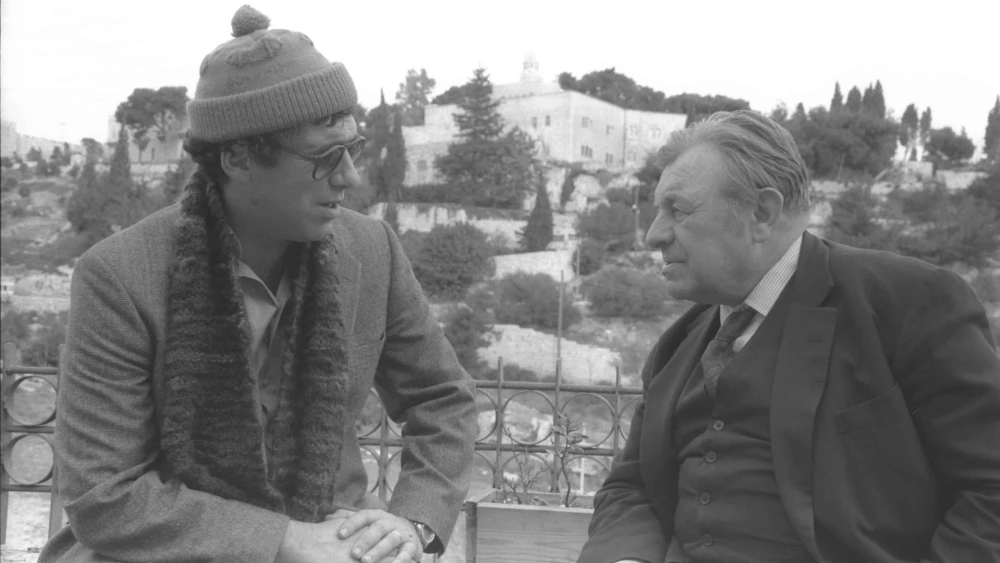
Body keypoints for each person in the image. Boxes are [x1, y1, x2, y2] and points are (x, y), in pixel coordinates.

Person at [39, 6, 478, 563]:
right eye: (326, 157)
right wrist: (286, 541)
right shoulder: (120, 276)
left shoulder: (373, 250)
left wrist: (412, 524)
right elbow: (105, 498)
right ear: (239, 158)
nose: (352, 176)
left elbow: (443, 398)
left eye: (354, 148)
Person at [577, 110, 1000, 563]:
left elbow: (990, 489)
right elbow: (630, 486)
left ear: (762, 212)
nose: (652, 235)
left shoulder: (905, 302)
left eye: (676, 210)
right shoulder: (677, 345)